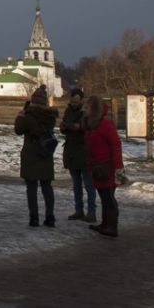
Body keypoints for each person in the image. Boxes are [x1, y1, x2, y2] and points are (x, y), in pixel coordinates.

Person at [15, 85, 59, 226]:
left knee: (32, 187)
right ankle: (50, 216)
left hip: (31, 153)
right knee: (47, 187)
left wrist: (20, 116)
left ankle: (34, 217)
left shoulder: (28, 116)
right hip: (45, 153)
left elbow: (18, 130)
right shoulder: (50, 117)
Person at [84, 95, 125, 238]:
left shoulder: (105, 125)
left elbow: (116, 144)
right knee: (104, 196)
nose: (84, 110)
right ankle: (105, 224)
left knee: (108, 197)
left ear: (94, 109)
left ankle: (112, 227)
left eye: (87, 108)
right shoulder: (92, 125)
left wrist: (118, 167)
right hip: (97, 168)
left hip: (108, 168)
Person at [59, 87, 97, 222]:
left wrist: (71, 126)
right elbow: (67, 127)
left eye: (76, 101)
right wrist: (65, 126)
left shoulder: (85, 112)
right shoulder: (69, 110)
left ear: (81, 100)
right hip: (71, 152)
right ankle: (79, 210)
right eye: (72, 101)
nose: (74, 103)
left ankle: (91, 212)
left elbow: (82, 127)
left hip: (84, 152)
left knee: (88, 184)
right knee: (76, 185)